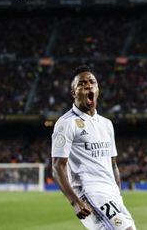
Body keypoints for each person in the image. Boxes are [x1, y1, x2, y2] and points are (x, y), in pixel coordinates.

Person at [51, 65, 136, 230]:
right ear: (73, 93)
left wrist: (117, 194)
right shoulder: (66, 123)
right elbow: (57, 166)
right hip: (90, 192)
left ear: (98, 89)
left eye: (92, 82)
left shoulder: (106, 124)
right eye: (82, 84)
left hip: (111, 193)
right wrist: (75, 202)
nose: (88, 85)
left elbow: (113, 164)